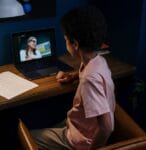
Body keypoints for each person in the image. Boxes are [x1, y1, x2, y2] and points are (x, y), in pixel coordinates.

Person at [31, 6, 115, 150]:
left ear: (75, 44)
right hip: (82, 124)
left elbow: (107, 127)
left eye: (66, 40)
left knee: (29, 136)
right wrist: (74, 75)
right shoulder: (98, 60)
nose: (66, 43)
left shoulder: (90, 79)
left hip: (82, 140)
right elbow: (91, 74)